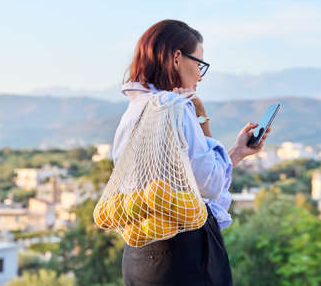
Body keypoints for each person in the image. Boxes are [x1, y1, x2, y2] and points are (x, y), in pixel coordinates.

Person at [112, 19, 270, 286]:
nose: (199, 75)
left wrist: (235, 153)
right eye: (199, 64)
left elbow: (181, 178)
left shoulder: (134, 111)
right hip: (183, 255)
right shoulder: (176, 107)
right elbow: (209, 184)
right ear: (176, 58)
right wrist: (202, 119)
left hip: (140, 254)